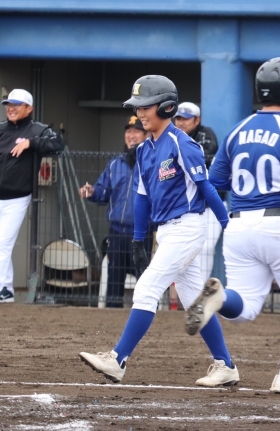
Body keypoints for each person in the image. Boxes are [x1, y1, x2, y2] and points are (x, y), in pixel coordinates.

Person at [184, 57, 280, 395]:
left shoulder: (238, 130)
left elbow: (216, 180)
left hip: (239, 224)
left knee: (245, 306)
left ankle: (220, 298)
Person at [79, 75, 238, 387]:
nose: (140, 113)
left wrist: (227, 226)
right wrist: (139, 239)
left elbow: (206, 188)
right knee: (195, 301)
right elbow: (141, 197)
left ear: (166, 107)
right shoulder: (143, 150)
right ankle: (226, 366)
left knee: (147, 288)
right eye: (137, 107)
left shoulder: (183, 143)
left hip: (188, 227)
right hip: (166, 231)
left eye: (145, 106)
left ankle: (117, 359)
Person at [0, 89, 63, 304]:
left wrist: (31, 143)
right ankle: (5, 288)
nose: (10, 108)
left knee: (2, 243)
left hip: (17, 198)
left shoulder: (38, 130)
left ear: (29, 108)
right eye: (8, 105)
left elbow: (58, 145)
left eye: (16, 105)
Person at [79, 117, 147, 308]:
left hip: (143, 233)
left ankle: (146, 316)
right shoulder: (115, 163)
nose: (131, 136)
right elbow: (103, 192)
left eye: (136, 131)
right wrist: (92, 192)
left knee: (145, 280)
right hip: (117, 232)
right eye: (128, 131)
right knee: (114, 281)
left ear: (146, 135)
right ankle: (111, 319)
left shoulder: (153, 162)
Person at [174, 102, 225, 282]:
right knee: (184, 249)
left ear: (197, 120)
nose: (181, 123)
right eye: (178, 118)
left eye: (186, 119)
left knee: (206, 248)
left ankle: (200, 289)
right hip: (186, 205)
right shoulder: (172, 137)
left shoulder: (205, 134)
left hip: (211, 204)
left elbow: (201, 158)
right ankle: (188, 290)